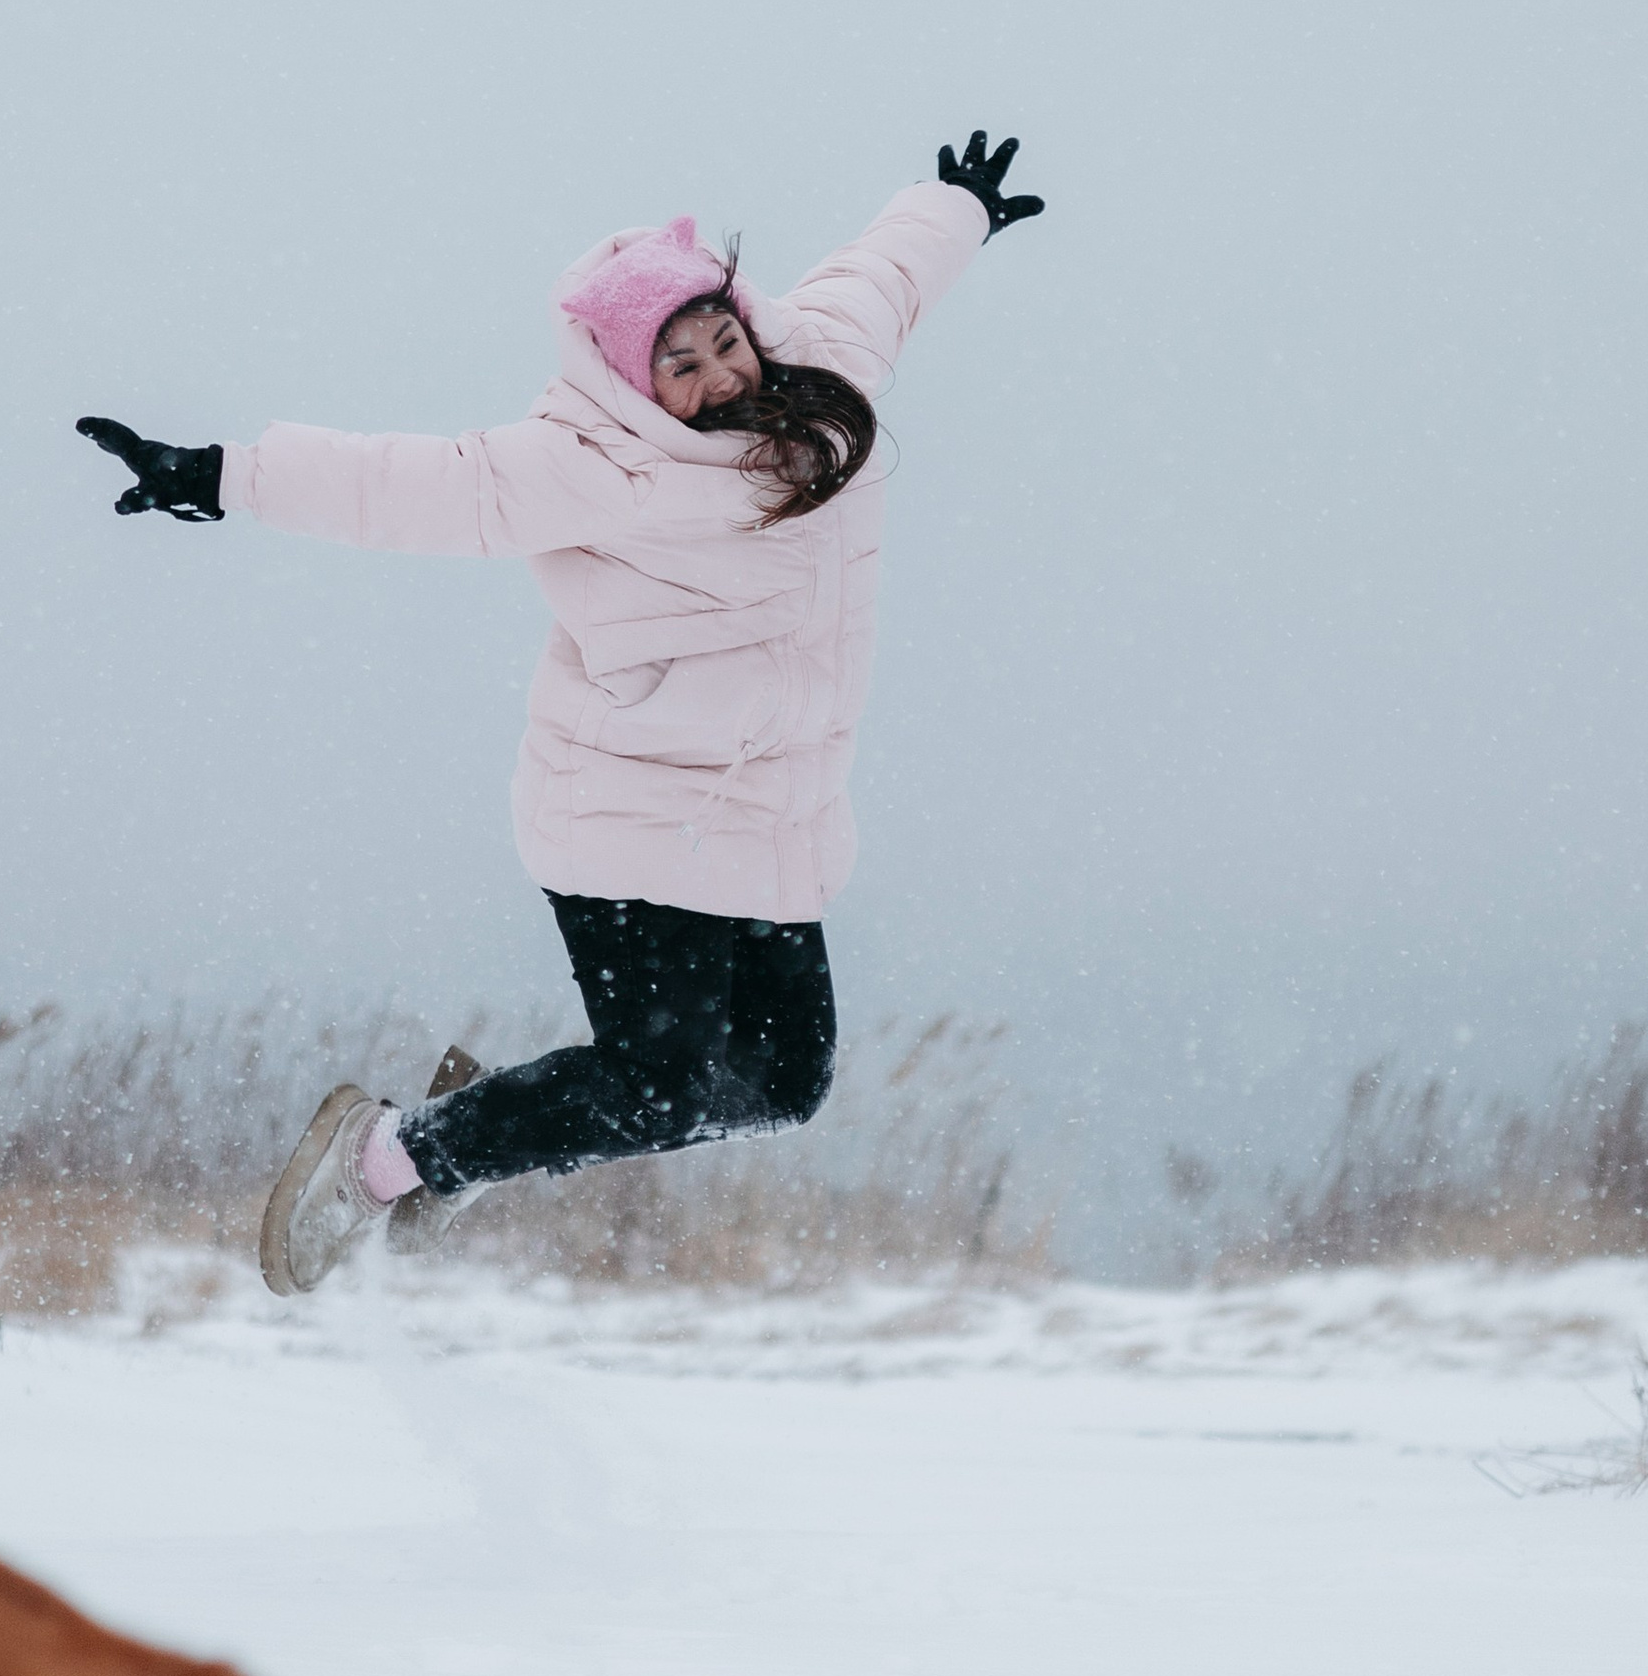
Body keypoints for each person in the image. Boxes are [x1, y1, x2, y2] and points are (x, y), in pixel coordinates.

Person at [79, 131, 1044, 1294]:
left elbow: (877, 280)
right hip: (627, 814)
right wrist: (216, 474)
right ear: (634, 378)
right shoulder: (592, 461)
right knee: (657, 1085)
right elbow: (408, 485)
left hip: (769, 813)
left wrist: (954, 206)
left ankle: (487, 1129)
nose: (718, 377)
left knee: (785, 1084)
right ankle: (388, 1158)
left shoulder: (820, 375)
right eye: (678, 364)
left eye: (723, 341)